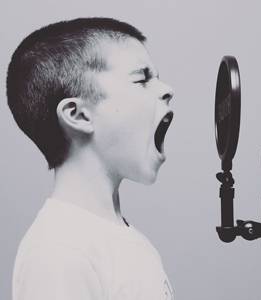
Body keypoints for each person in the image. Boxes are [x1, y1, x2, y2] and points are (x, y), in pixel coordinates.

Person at [7, 17, 175, 300]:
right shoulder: (59, 252)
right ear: (79, 115)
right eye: (142, 79)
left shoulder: (129, 241)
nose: (167, 90)